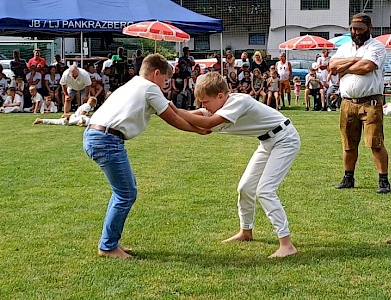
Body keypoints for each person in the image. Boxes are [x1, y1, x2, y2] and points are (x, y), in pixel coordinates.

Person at [82, 53, 209, 259]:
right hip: (107, 140)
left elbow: (174, 110)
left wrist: (200, 117)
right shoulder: (150, 88)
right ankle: (107, 246)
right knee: (126, 194)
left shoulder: (133, 84)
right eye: (165, 80)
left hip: (97, 136)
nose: (165, 85)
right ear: (156, 73)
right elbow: (172, 117)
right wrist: (198, 129)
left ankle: (111, 242)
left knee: (125, 191)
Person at [173, 71, 301, 258]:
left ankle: (286, 244)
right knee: (245, 187)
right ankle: (246, 232)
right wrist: (168, 112)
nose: (203, 105)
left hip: (285, 139)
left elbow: (207, 122)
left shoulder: (239, 102)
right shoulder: (220, 104)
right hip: (267, 142)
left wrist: (174, 111)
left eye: (205, 101)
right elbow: (200, 115)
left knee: (264, 190)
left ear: (220, 96)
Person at [329, 13, 390, 194]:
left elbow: (367, 67)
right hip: (347, 103)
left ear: (369, 28)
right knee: (348, 143)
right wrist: (355, 59)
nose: (355, 32)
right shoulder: (346, 47)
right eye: (353, 29)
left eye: (359, 29)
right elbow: (332, 67)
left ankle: (384, 181)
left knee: (375, 142)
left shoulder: (377, 46)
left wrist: (344, 66)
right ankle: (348, 178)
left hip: (370, 103)